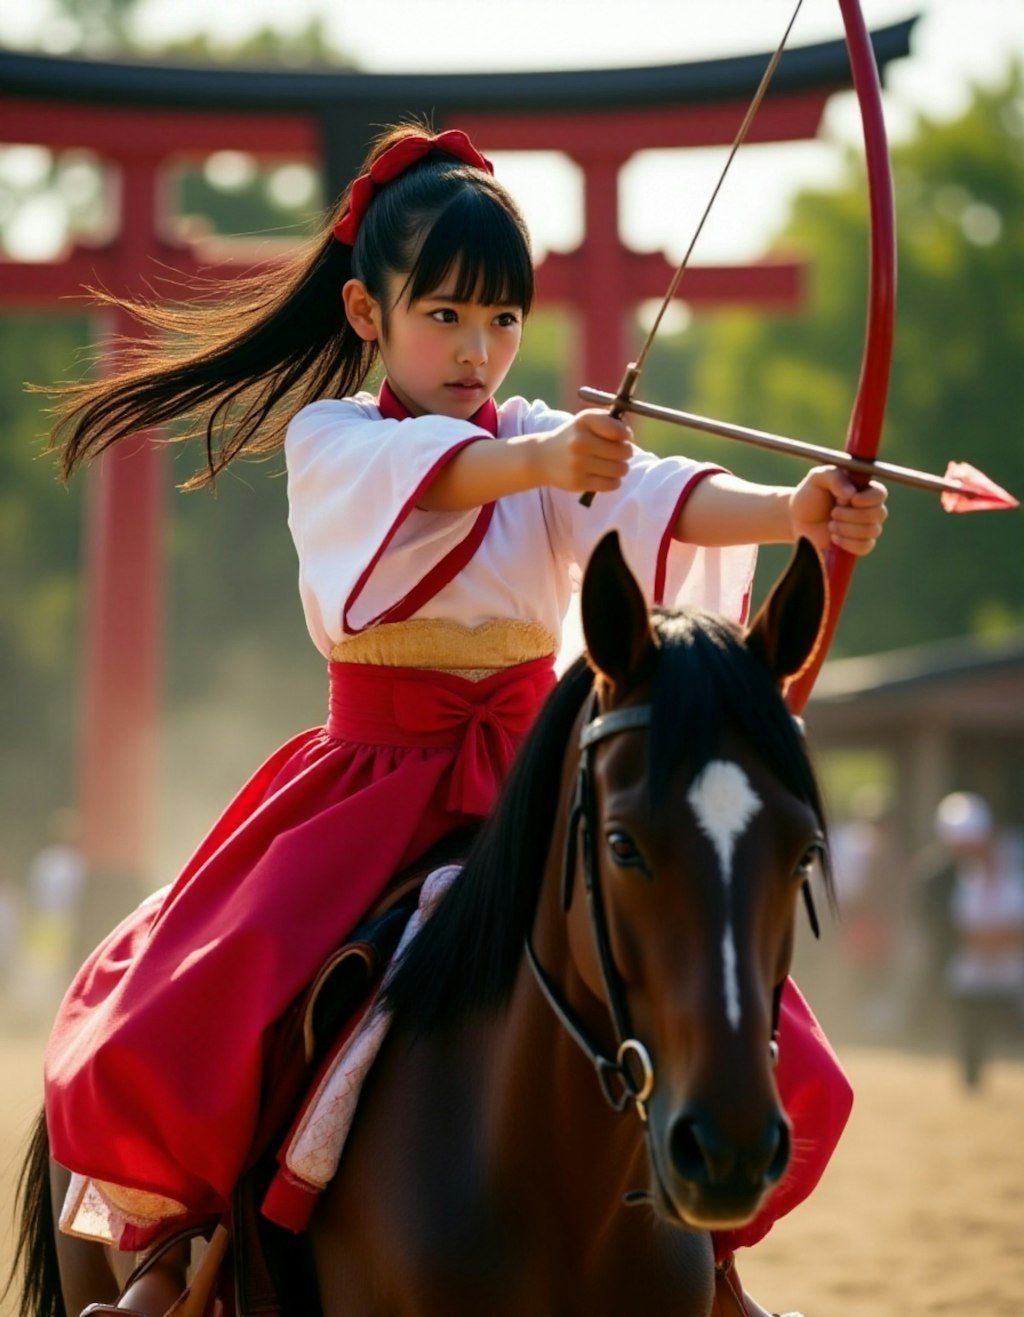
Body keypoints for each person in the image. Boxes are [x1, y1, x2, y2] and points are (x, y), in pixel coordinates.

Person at [42, 124, 887, 1315]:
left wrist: (792, 508)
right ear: (364, 311)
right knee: (216, 999)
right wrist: (545, 464)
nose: (477, 350)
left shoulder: (537, 441)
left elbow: (657, 499)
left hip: (528, 793)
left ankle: (715, 1259)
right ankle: (175, 1262)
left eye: (501, 322)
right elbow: (448, 475)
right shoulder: (337, 440)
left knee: (717, 984)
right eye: (444, 315)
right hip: (369, 788)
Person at [933, 792, 1024, 1089]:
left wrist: (997, 938)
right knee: (971, 1028)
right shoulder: (964, 882)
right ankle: (972, 1082)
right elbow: (968, 932)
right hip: (974, 973)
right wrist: (1002, 937)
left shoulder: (1014, 880)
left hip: (1012, 974)